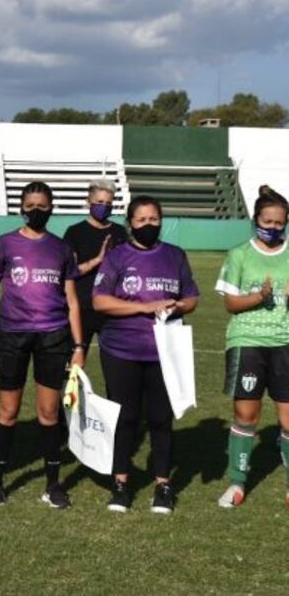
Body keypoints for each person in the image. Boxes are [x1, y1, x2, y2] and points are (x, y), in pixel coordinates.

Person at [0, 181, 84, 509]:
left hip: (53, 336)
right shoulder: (5, 243)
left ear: (52, 208)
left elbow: (72, 301)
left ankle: (53, 485)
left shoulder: (61, 248)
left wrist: (79, 346)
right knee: (8, 411)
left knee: (49, 413)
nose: (36, 210)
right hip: (12, 334)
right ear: (22, 208)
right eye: (31, 205)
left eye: (42, 205)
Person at [93, 195, 199, 514]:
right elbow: (100, 301)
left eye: (154, 219)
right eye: (141, 220)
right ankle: (122, 484)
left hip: (165, 352)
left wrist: (178, 305)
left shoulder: (175, 255)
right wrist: (143, 306)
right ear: (130, 222)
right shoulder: (116, 257)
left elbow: (192, 297)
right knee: (125, 418)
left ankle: (163, 486)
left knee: (160, 419)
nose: (148, 225)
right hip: (120, 349)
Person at [214, 185, 289, 508]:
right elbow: (230, 303)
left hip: (285, 342)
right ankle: (238, 483)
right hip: (246, 343)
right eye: (267, 221)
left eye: (279, 223)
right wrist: (259, 297)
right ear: (255, 219)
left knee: (287, 420)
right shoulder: (239, 254)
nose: (272, 228)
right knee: (246, 415)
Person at [62, 180, 127, 353]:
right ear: (88, 202)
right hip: (82, 308)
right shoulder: (75, 232)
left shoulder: (120, 233)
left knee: (116, 365)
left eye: (108, 203)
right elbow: (69, 273)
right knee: (73, 366)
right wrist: (98, 260)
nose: (103, 207)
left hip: (111, 309)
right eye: (99, 202)